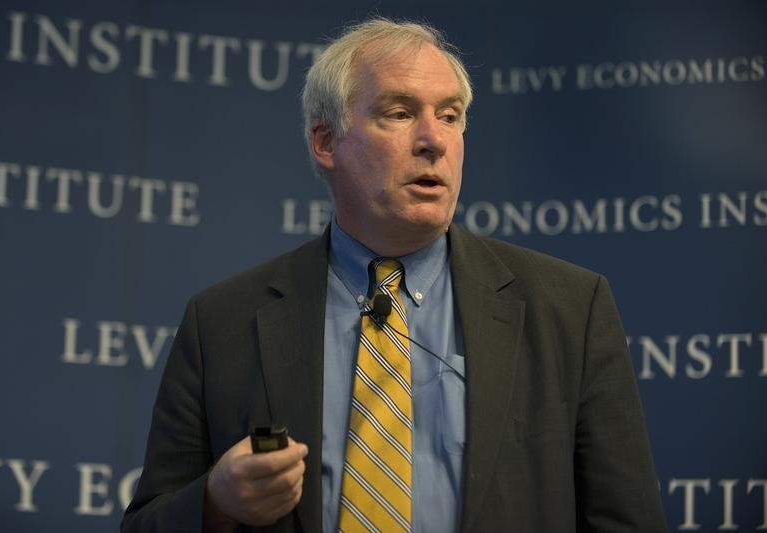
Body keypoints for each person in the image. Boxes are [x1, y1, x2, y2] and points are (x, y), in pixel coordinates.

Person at [122, 18, 667, 533]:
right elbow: (146, 522)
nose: (435, 140)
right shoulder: (222, 322)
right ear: (326, 142)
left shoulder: (570, 308)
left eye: (450, 116)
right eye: (400, 113)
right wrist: (216, 504)